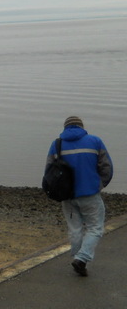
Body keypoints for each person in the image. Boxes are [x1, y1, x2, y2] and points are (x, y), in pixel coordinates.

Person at [45, 116, 113, 277]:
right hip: (90, 194)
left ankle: (78, 258)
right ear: (81, 127)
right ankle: (81, 259)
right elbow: (107, 167)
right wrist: (100, 184)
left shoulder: (56, 145)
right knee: (95, 228)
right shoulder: (95, 141)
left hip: (67, 196)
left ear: (65, 127)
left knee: (75, 228)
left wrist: (56, 191)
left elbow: (49, 171)